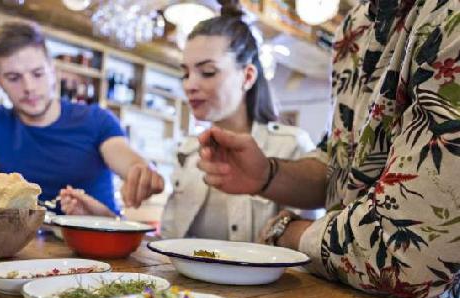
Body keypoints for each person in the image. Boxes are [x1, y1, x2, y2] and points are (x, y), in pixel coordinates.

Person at [197, 0, 460, 298]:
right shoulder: (354, 26)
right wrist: (268, 174)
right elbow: (339, 162)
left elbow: (404, 254)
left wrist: (286, 233)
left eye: (207, 72)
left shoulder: (448, 12)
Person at [59, 0, 319, 242]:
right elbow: (168, 248)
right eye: (185, 73)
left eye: (207, 72)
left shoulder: (291, 148)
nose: (190, 85)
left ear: (247, 76)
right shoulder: (189, 151)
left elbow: (301, 258)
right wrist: (103, 221)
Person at [0, 21, 164, 213]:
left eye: (37, 73)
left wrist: (141, 172)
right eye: (13, 77)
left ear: (54, 72)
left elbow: (129, 161)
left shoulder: (97, 120)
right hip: (19, 248)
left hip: (94, 246)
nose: (29, 87)